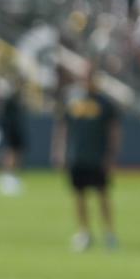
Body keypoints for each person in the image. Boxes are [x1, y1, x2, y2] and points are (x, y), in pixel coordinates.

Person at [51, 62, 122, 251]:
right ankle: (84, 232)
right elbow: (63, 128)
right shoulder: (72, 100)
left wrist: (111, 156)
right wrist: (60, 151)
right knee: (79, 195)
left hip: (97, 156)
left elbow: (113, 131)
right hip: (77, 156)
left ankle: (109, 233)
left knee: (102, 195)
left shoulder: (105, 103)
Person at [0, 75, 26, 196]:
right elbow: (3, 117)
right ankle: (5, 177)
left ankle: (13, 177)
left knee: (17, 154)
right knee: (9, 153)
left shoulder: (18, 100)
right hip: (11, 131)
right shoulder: (9, 100)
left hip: (17, 131)